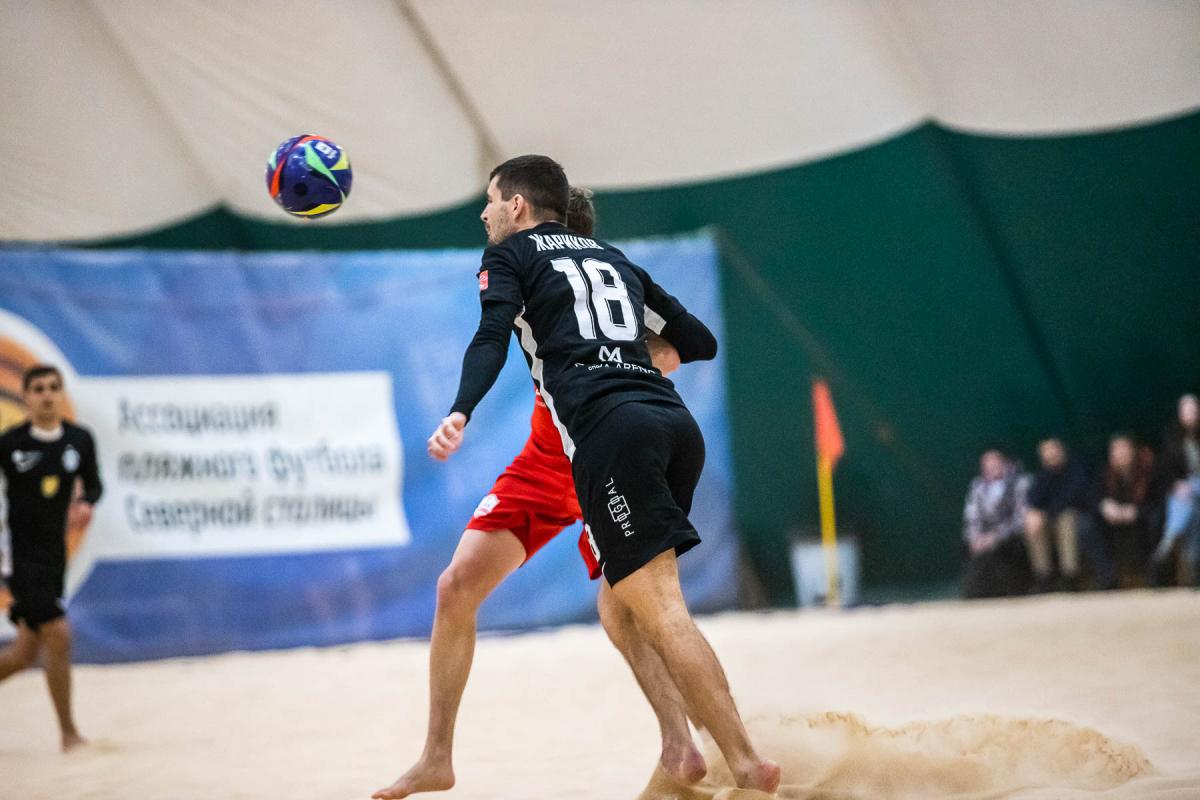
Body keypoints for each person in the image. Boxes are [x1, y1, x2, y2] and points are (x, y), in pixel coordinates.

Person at [386, 155, 780, 795]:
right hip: (622, 441)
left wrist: (460, 411)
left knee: (657, 608)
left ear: (518, 206)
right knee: (579, 602)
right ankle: (679, 746)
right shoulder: (612, 264)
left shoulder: (516, 258)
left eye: (490, 200)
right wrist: (642, 357)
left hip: (605, 445)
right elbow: (698, 339)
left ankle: (745, 764)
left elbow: (490, 336)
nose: (483, 212)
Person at [0, 364, 102, 751]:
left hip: (54, 556)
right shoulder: (10, 444)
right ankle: (69, 734)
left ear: (62, 394)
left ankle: (69, 733)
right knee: (59, 633)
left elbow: (94, 484)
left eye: (53, 387)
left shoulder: (79, 440)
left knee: (23, 655)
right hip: (18, 556)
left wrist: (86, 502)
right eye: (39, 388)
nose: (46, 395)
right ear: (26, 397)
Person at [1081, 434, 1161, 590]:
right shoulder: (1104, 473)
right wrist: (1104, 506)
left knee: (1155, 520)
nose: (1119, 454)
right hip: (1112, 522)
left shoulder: (1148, 471)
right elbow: (1091, 499)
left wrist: (1137, 512)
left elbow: (1158, 502)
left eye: (1123, 449)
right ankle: (1108, 578)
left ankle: (1155, 575)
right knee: (1086, 525)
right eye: (1115, 450)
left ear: (1133, 451)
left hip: (1141, 521)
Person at [961, 450, 1031, 598]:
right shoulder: (977, 486)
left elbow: (1021, 517)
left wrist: (995, 536)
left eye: (995, 461)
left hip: (1012, 535)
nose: (991, 465)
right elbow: (972, 516)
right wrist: (975, 538)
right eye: (987, 462)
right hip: (984, 537)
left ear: (1005, 463)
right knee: (972, 549)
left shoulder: (1021, 482)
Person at [1025, 438, 1090, 592]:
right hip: (1050, 517)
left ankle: (1070, 576)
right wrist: (1034, 514)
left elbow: (1071, 498)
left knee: (1065, 519)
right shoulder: (1043, 474)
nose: (1050, 455)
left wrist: (1045, 514)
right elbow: (1034, 498)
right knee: (1033, 523)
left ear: (1061, 451)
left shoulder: (1076, 468)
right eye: (1046, 453)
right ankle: (1043, 577)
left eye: (1053, 451)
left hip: (1079, 516)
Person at [1153, 393, 1200, 584]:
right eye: (1186, 411)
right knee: (1193, 513)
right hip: (1186, 492)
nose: (1190, 415)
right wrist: (1176, 484)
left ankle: (1171, 534)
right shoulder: (1171, 437)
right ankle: (1193, 570)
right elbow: (1166, 469)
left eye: (1193, 411)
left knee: (1191, 488)